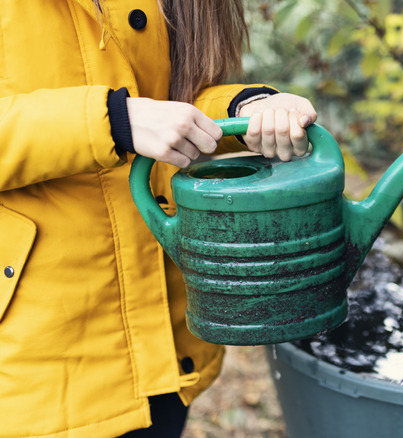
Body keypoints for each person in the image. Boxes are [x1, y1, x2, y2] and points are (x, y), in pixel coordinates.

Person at [0, 1, 317, 437]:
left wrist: (245, 107)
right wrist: (111, 120)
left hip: (163, 332)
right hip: (34, 347)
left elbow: (172, 100)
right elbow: (132, 116)